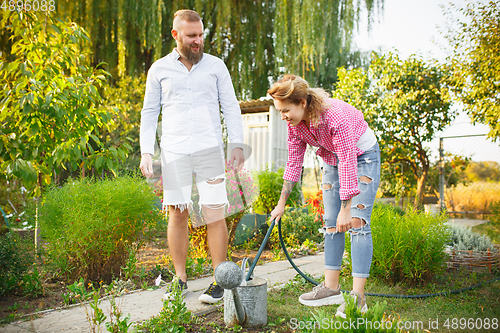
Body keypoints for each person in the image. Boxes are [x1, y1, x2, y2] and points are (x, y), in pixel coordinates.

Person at [139, 9, 245, 304]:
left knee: (214, 213)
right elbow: (149, 113)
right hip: (173, 151)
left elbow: (231, 107)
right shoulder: (159, 69)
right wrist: (146, 150)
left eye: (200, 35)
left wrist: (236, 144)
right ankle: (180, 279)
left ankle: (219, 281)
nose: (198, 41)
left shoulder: (216, 67)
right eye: (191, 36)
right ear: (176, 35)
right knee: (177, 213)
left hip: (209, 148)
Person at [268, 74, 380, 318]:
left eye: (286, 110)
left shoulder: (334, 116)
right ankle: (331, 288)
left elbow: (349, 160)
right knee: (331, 223)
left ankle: (358, 299)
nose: (283, 116)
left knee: (357, 222)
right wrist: (281, 204)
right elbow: (293, 163)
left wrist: (346, 207)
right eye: (279, 111)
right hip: (332, 158)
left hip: (363, 156)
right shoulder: (294, 125)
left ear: (303, 103)